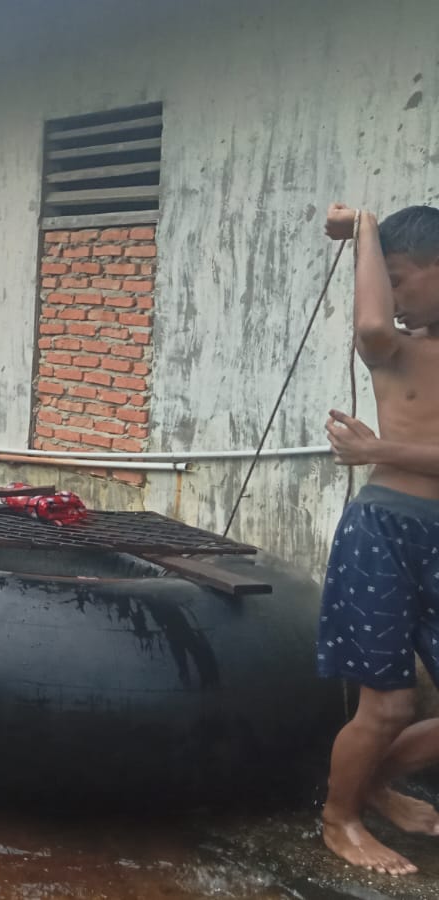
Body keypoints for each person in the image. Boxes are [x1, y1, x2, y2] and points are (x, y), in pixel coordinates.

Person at [315, 204, 439, 876]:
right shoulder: (395, 349)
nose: (391, 299)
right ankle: (341, 817)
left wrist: (379, 448)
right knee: (387, 703)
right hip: (385, 528)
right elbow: (368, 322)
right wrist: (364, 227)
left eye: (401, 280)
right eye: (383, 282)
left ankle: (369, 785)